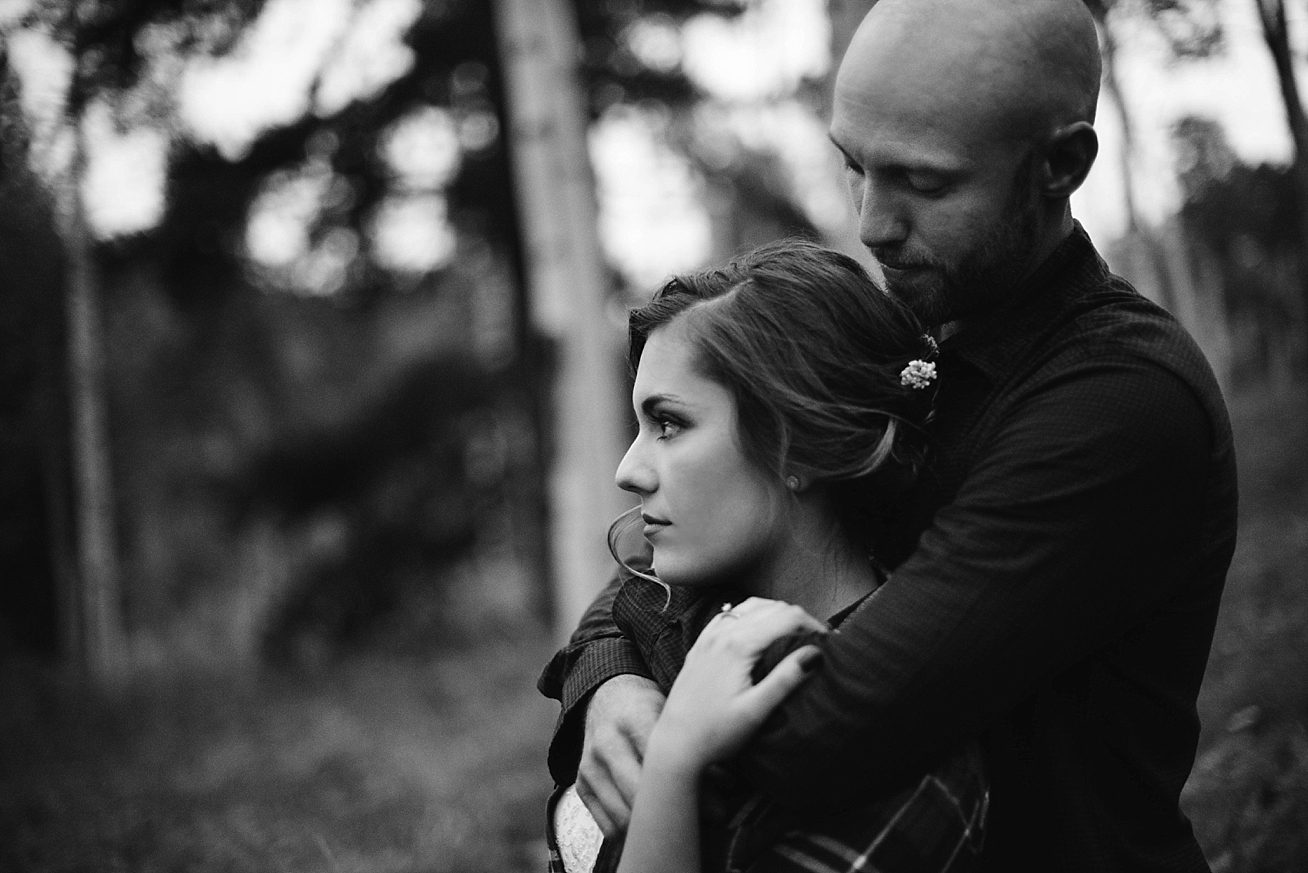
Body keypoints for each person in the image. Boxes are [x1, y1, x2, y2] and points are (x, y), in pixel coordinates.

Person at [540, 0, 1240, 870]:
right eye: (854, 167)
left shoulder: (1120, 400)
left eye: (924, 182)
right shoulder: (919, 335)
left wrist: (666, 746)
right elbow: (663, 548)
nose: (873, 222)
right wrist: (608, 676)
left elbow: (837, 719)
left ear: (1061, 164)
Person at [547, 241, 987, 873]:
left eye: (669, 424)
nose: (628, 470)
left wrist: (673, 764)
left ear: (798, 444)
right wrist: (609, 683)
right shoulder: (673, 614)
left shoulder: (900, 748)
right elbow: (622, 600)